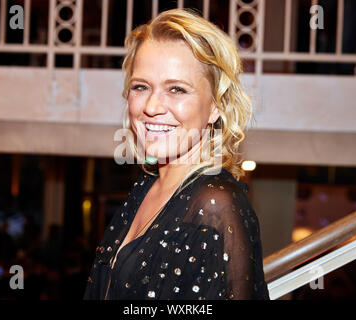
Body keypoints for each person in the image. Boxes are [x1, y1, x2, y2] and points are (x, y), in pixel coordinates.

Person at [83, 8, 269, 300]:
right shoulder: (145, 188)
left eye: (177, 90)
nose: (152, 106)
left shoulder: (216, 205)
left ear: (216, 106)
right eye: (141, 87)